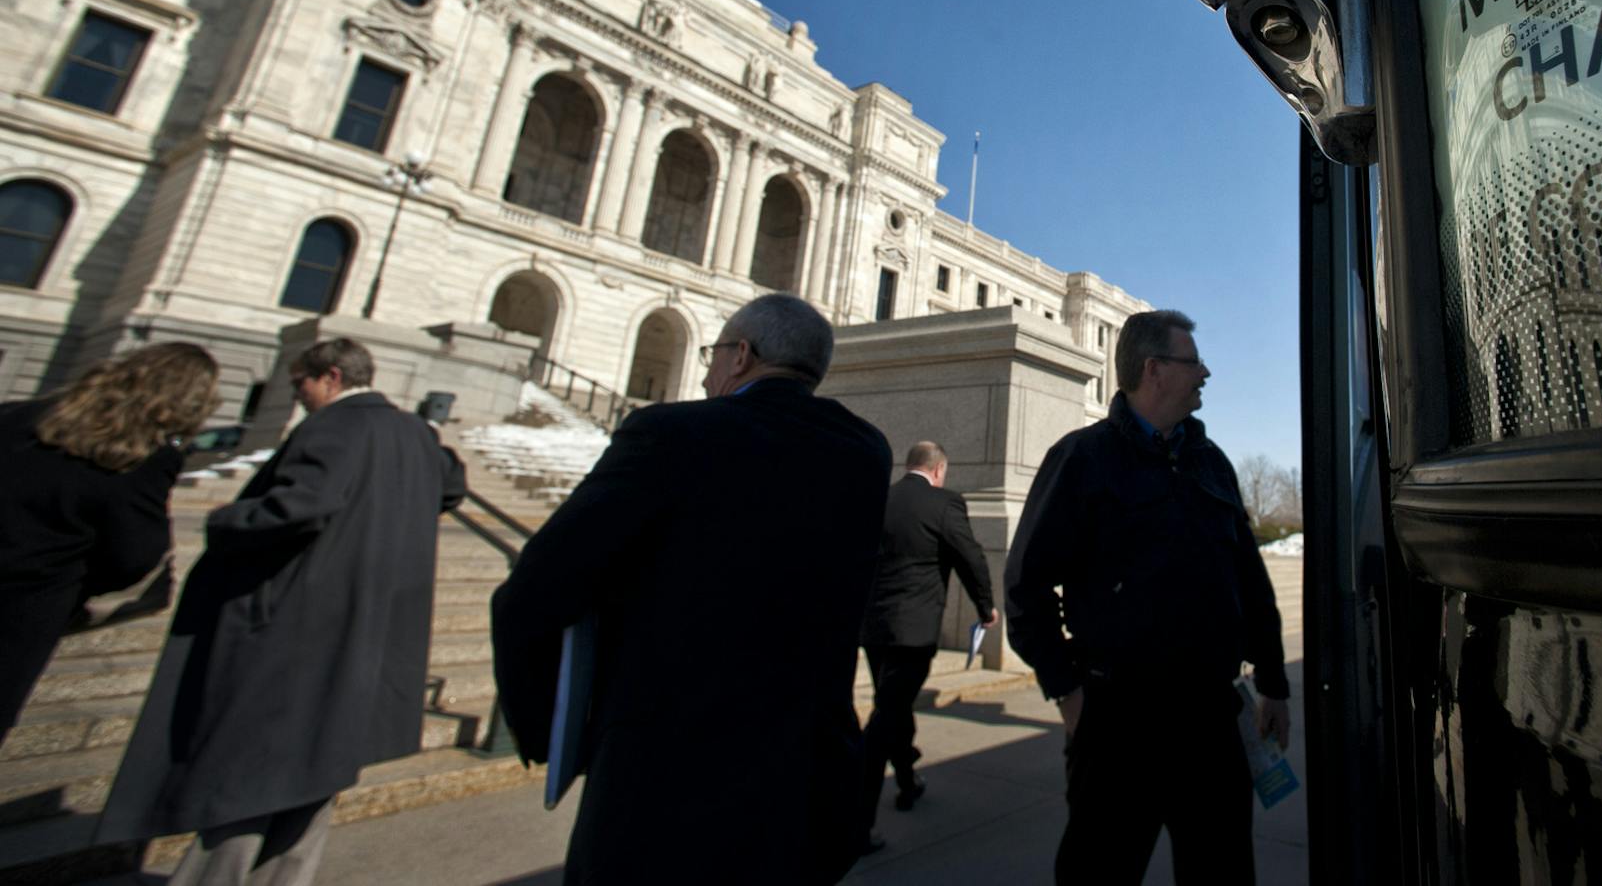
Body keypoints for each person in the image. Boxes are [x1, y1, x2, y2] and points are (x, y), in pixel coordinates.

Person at [491, 293, 892, 885]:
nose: (706, 371)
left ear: (740, 357)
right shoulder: (865, 450)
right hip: (805, 778)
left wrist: (552, 730)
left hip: (668, 779)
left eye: (714, 354)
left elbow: (535, 590)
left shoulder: (671, 433)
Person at [99, 337, 467, 886]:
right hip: (370, 625)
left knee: (253, 772)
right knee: (318, 768)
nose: (299, 397)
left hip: (299, 623)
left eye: (300, 384)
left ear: (332, 378)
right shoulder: (418, 433)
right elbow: (451, 484)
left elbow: (302, 505)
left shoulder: (334, 426)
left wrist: (227, 519)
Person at [1004, 309, 1291, 885]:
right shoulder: (1083, 459)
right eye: (1194, 362)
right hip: (1117, 724)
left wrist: (1274, 681)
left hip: (1211, 720)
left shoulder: (1212, 464)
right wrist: (1067, 691)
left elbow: (1249, 580)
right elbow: (1025, 585)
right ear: (1154, 370)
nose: (1205, 373)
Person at [0, 343, 217, 735]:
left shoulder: (17, 414)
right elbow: (134, 556)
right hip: (21, 610)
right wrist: (74, 582)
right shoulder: (143, 457)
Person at [858, 440, 999, 844]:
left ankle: (907, 780)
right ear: (939, 470)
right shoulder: (945, 504)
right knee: (885, 718)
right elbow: (969, 556)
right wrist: (986, 606)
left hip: (874, 627)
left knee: (892, 706)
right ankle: (857, 823)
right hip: (915, 631)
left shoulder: (879, 500)